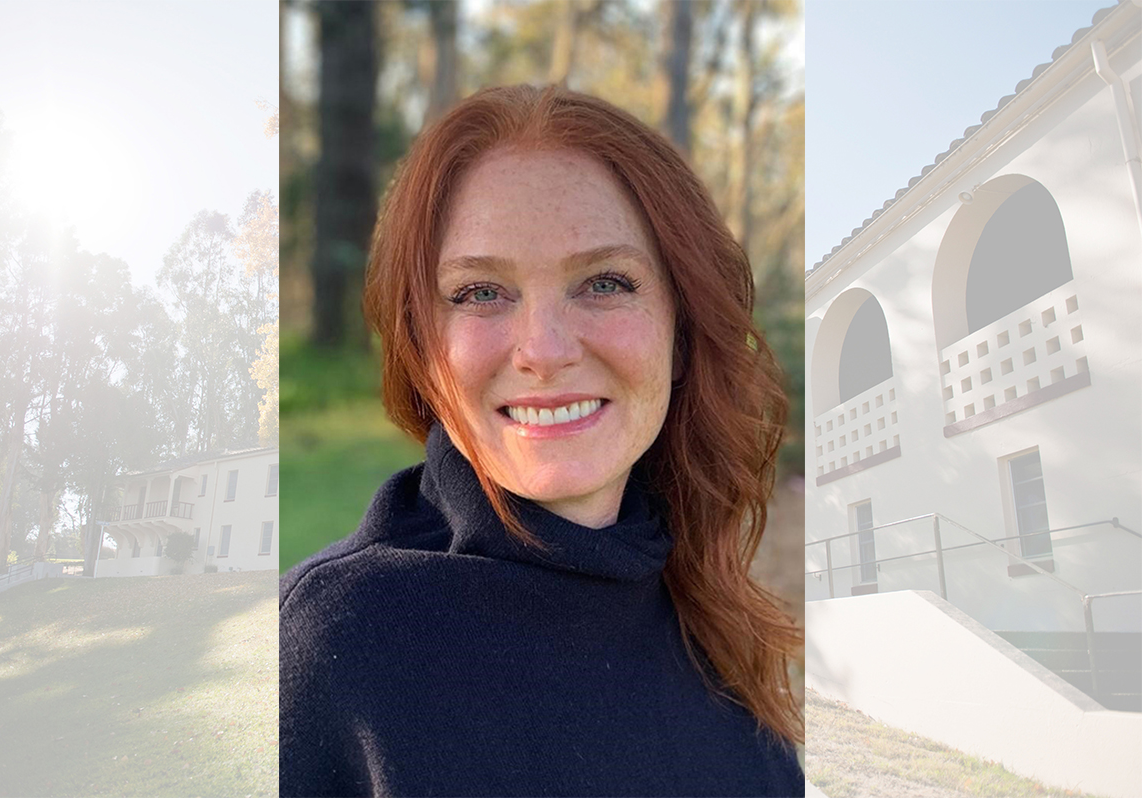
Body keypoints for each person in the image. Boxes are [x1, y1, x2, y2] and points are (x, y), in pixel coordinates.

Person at [280, 84, 803, 797]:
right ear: (421, 347)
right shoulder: (332, 645)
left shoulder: (715, 620)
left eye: (605, 282)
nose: (544, 350)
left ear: (682, 331)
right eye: (479, 292)